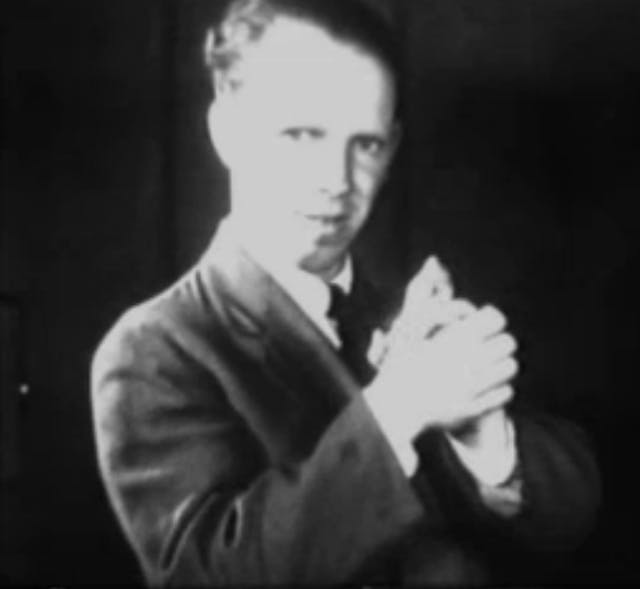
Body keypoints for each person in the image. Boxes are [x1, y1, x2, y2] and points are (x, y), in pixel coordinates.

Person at [91, 0, 600, 585]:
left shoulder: (410, 315)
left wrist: (490, 442)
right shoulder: (152, 349)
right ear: (225, 131)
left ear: (394, 145)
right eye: (301, 134)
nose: (336, 180)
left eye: (367, 145)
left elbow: (576, 519)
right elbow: (208, 575)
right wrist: (401, 407)